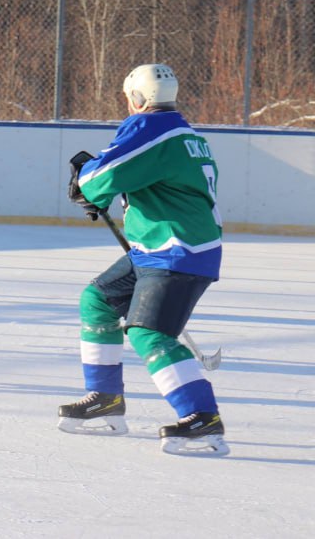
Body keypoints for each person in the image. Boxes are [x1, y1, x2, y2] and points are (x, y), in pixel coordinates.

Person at [60, 63, 228, 456]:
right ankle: (105, 398)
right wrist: (102, 192)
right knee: (98, 300)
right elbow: (145, 176)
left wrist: (87, 183)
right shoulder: (186, 134)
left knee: (148, 332)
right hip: (161, 248)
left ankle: (202, 417)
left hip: (177, 250)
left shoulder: (149, 127)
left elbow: (100, 176)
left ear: (137, 97)